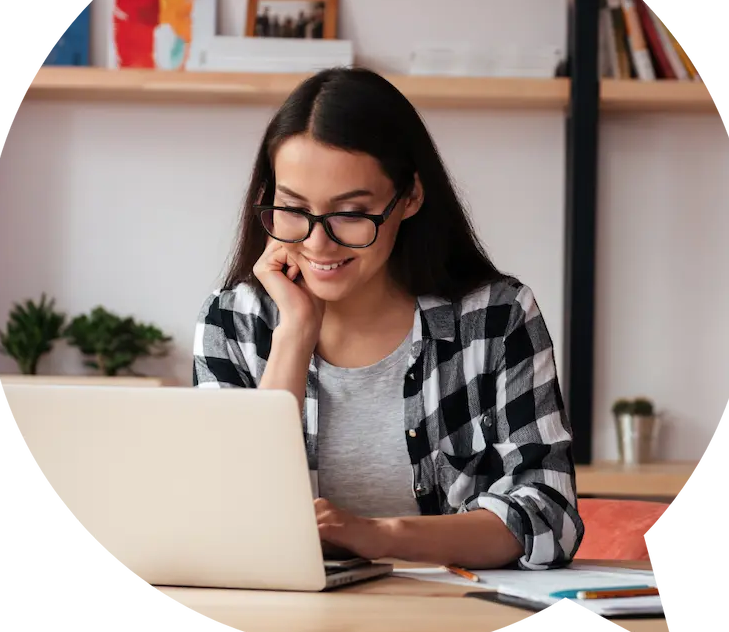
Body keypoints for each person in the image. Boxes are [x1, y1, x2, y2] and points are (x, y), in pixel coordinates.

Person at [193, 67, 584, 571]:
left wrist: (382, 536)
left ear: (410, 197)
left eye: (351, 213)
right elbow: (230, 520)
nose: (317, 243)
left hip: (455, 623)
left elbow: (549, 515)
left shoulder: (495, 317)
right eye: (293, 208)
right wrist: (294, 335)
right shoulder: (231, 323)